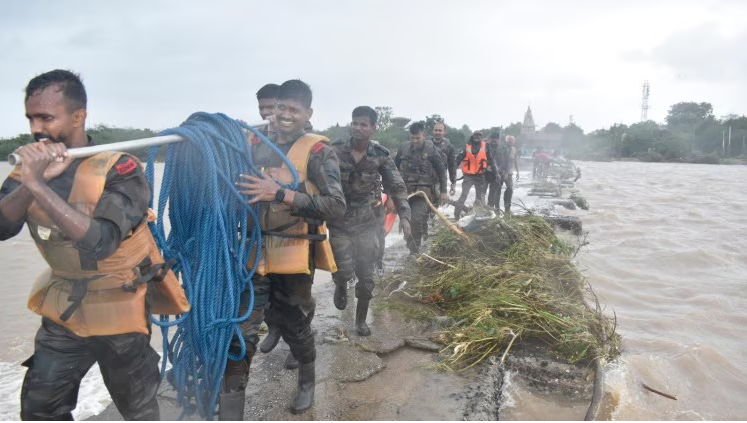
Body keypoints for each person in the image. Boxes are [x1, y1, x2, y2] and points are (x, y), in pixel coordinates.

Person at [0, 70, 164, 420]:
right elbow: (1, 229)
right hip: (65, 306)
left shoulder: (120, 170)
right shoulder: (27, 170)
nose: (35, 129)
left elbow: (101, 242)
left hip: (121, 302)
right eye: (30, 118)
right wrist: (31, 183)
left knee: (138, 409)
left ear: (78, 117)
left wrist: (39, 186)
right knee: (39, 408)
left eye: (46, 117)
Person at [236, 79, 345, 416]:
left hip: (294, 247)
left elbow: (336, 206)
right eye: (280, 107)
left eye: (293, 110)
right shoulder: (254, 144)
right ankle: (231, 405)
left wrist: (280, 193)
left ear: (307, 114)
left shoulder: (318, 151)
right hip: (254, 248)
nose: (284, 115)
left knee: (296, 324)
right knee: (242, 329)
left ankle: (307, 381)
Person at [329, 106, 412, 336]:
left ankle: (361, 320)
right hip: (339, 222)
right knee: (343, 268)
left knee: (366, 273)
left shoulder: (380, 155)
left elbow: (396, 185)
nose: (357, 127)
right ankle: (340, 285)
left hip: (368, 223)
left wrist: (405, 216)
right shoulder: (334, 150)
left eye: (363, 124)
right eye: (355, 122)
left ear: (373, 128)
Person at [251, 83, 300, 372]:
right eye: (265, 109)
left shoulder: (302, 141)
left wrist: (280, 192)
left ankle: (298, 347)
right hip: (261, 234)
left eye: (274, 107)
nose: (270, 114)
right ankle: (273, 329)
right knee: (264, 295)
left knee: (295, 301)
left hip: (295, 232)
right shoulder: (256, 140)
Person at [394, 122, 448, 255]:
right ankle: (413, 242)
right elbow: (393, 169)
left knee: (417, 219)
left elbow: (441, 171)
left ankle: (414, 251)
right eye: (412, 138)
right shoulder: (403, 148)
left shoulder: (431, 149)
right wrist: (390, 192)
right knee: (407, 219)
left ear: (423, 135)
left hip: (422, 193)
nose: (415, 141)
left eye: (417, 138)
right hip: (404, 192)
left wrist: (443, 191)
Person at [453, 132, 497, 220]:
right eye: (475, 136)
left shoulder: (486, 147)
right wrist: (452, 173)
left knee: (479, 198)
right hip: (468, 176)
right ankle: (456, 216)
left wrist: (495, 174)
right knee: (463, 196)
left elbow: (491, 160)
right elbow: (458, 159)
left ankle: (477, 216)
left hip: (480, 176)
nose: (477, 138)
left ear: (481, 138)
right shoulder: (467, 147)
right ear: (472, 137)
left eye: (479, 136)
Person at [485, 132, 507, 210]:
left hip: (497, 174)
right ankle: (480, 208)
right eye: (492, 141)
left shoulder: (503, 148)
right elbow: (480, 159)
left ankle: (490, 209)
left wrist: (503, 171)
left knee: (493, 193)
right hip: (486, 173)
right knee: (481, 192)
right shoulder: (485, 146)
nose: (493, 142)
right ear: (490, 139)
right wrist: (486, 166)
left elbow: (506, 161)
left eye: (495, 141)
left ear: (498, 140)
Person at [500, 135, 520, 213]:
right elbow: (503, 161)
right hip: (501, 172)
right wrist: (504, 173)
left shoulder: (514, 149)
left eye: (512, 141)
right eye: (509, 140)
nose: (511, 142)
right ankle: (495, 207)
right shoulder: (502, 148)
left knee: (510, 189)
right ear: (506, 141)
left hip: (509, 172)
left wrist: (518, 172)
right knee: (497, 190)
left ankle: (507, 207)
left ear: (514, 142)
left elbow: (514, 161)